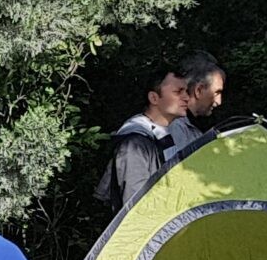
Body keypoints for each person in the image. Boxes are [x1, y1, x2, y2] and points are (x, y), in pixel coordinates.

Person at [95, 68, 185, 218]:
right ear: (154, 98)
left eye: (186, 91)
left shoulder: (161, 135)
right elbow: (136, 208)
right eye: (178, 92)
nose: (186, 98)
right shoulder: (134, 144)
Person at [166, 52, 226, 158]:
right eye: (217, 92)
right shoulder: (175, 129)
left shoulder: (187, 127)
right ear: (198, 90)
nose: (219, 101)